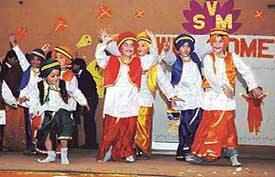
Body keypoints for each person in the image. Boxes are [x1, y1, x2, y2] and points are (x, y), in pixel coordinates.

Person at [188, 27, 262, 167]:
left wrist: (253, 86)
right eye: (214, 41)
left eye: (220, 41)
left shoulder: (232, 57)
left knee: (221, 125)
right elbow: (210, 75)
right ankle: (208, 153)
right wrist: (223, 86)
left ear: (226, 42)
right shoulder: (209, 58)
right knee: (215, 127)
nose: (217, 44)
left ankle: (210, 153)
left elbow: (245, 71)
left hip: (225, 100)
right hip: (211, 97)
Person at [95, 29, 158, 163]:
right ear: (119, 47)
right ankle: (107, 151)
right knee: (111, 128)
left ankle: (127, 152)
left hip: (130, 100)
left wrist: (153, 41)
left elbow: (153, 58)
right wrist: (103, 44)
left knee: (128, 129)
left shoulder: (139, 62)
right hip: (114, 100)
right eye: (126, 44)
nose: (129, 48)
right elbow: (100, 59)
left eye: (131, 45)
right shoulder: (111, 60)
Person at [20, 59, 88, 165]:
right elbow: (33, 97)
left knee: (64, 129)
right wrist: (31, 107)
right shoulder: (38, 86)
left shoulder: (64, 83)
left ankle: (64, 155)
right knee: (46, 132)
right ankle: (51, 155)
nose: (56, 78)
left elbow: (75, 91)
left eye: (57, 75)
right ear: (46, 75)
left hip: (62, 108)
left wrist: (83, 102)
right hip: (47, 109)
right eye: (52, 76)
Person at [162, 33, 203, 161]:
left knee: (196, 124)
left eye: (188, 46)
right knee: (185, 125)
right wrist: (166, 50)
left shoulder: (196, 58)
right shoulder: (176, 60)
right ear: (177, 49)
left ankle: (191, 149)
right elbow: (167, 59)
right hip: (183, 99)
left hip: (198, 98)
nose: (185, 49)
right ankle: (183, 148)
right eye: (182, 46)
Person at [9, 33, 46, 155]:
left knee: (40, 124)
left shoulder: (45, 72)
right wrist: (14, 43)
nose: (35, 61)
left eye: (38, 59)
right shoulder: (26, 68)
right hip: (28, 101)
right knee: (29, 126)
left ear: (41, 61)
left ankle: (41, 146)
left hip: (41, 103)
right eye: (33, 58)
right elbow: (20, 56)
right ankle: (31, 146)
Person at [1, 48, 25, 151]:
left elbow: (6, 94)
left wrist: (16, 102)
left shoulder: (1, 81)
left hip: (3, 105)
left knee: (3, 126)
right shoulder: (10, 71)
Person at [71, 58, 98, 149]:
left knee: (89, 121)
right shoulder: (81, 75)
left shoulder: (85, 75)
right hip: (88, 100)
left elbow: (84, 90)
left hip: (90, 100)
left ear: (79, 66)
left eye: (74, 65)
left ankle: (91, 143)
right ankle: (90, 142)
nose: (72, 67)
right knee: (88, 121)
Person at [0, 78, 17, 151]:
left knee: (0, 129)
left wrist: (14, 102)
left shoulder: (1, 82)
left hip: (0, 109)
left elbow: (6, 94)